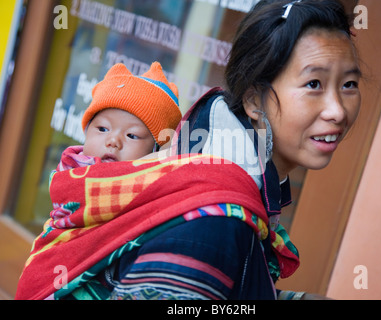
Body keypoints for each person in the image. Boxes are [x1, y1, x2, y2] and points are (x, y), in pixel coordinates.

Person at [16, 0, 361, 300]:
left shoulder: (212, 175)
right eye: (313, 84)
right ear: (255, 100)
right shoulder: (216, 218)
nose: (337, 110)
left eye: (349, 84)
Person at [57, 61, 182, 171]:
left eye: (132, 135)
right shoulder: (69, 167)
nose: (113, 141)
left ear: (156, 152)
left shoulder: (151, 189)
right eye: (102, 129)